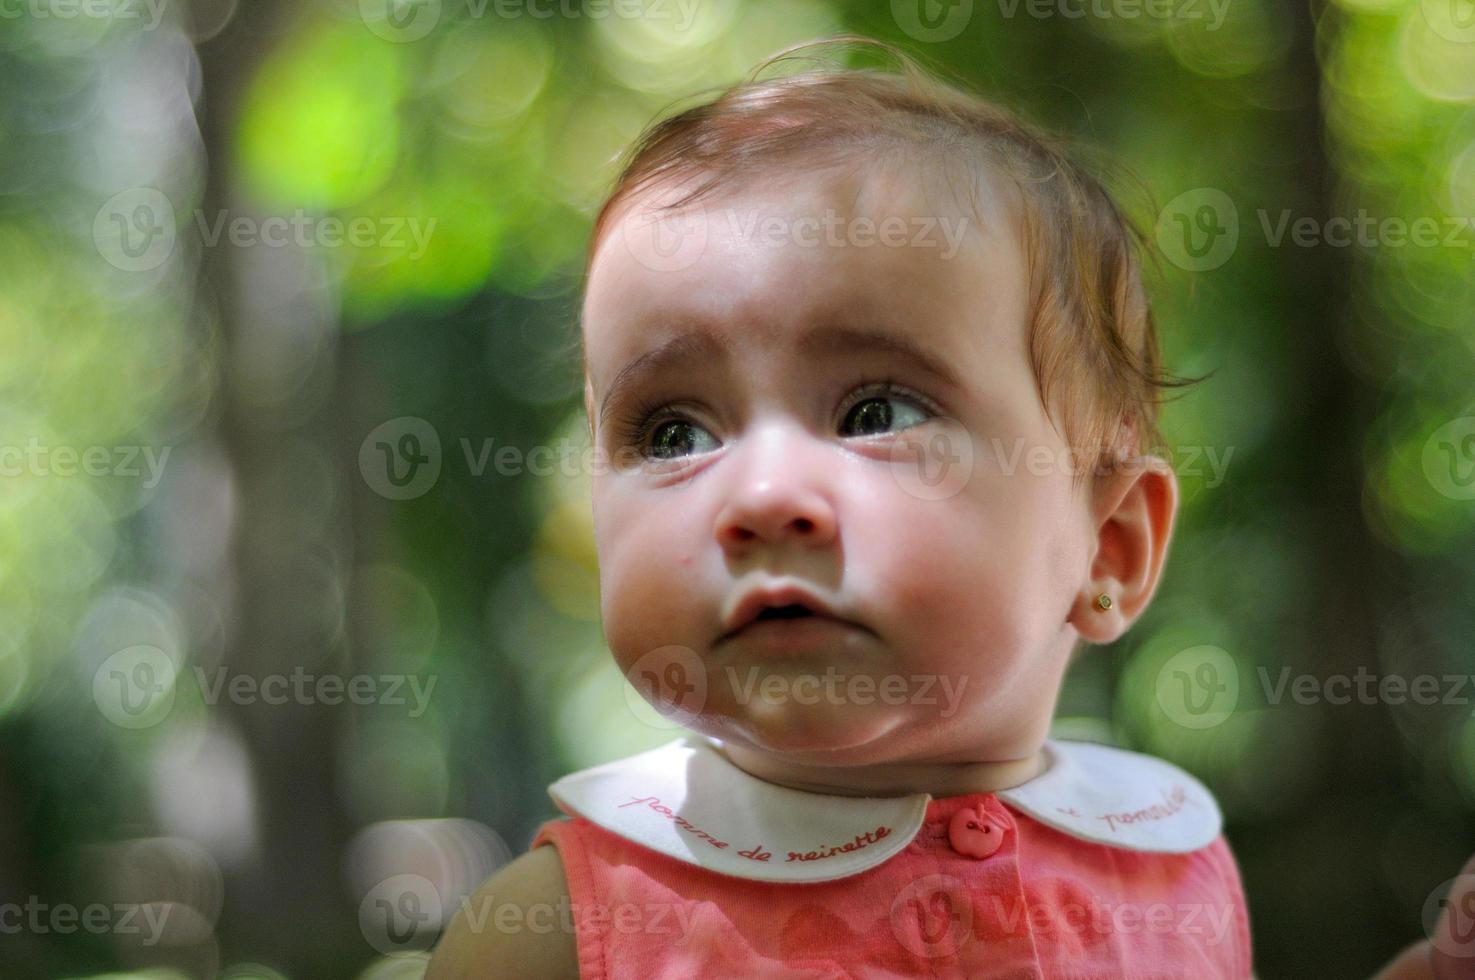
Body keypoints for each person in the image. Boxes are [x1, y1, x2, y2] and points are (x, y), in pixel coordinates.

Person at [427, 34, 1475, 979]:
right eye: (672, 432)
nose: (758, 496)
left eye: (874, 409)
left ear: (1106, 545)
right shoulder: (566, 929)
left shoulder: (1167, 866)